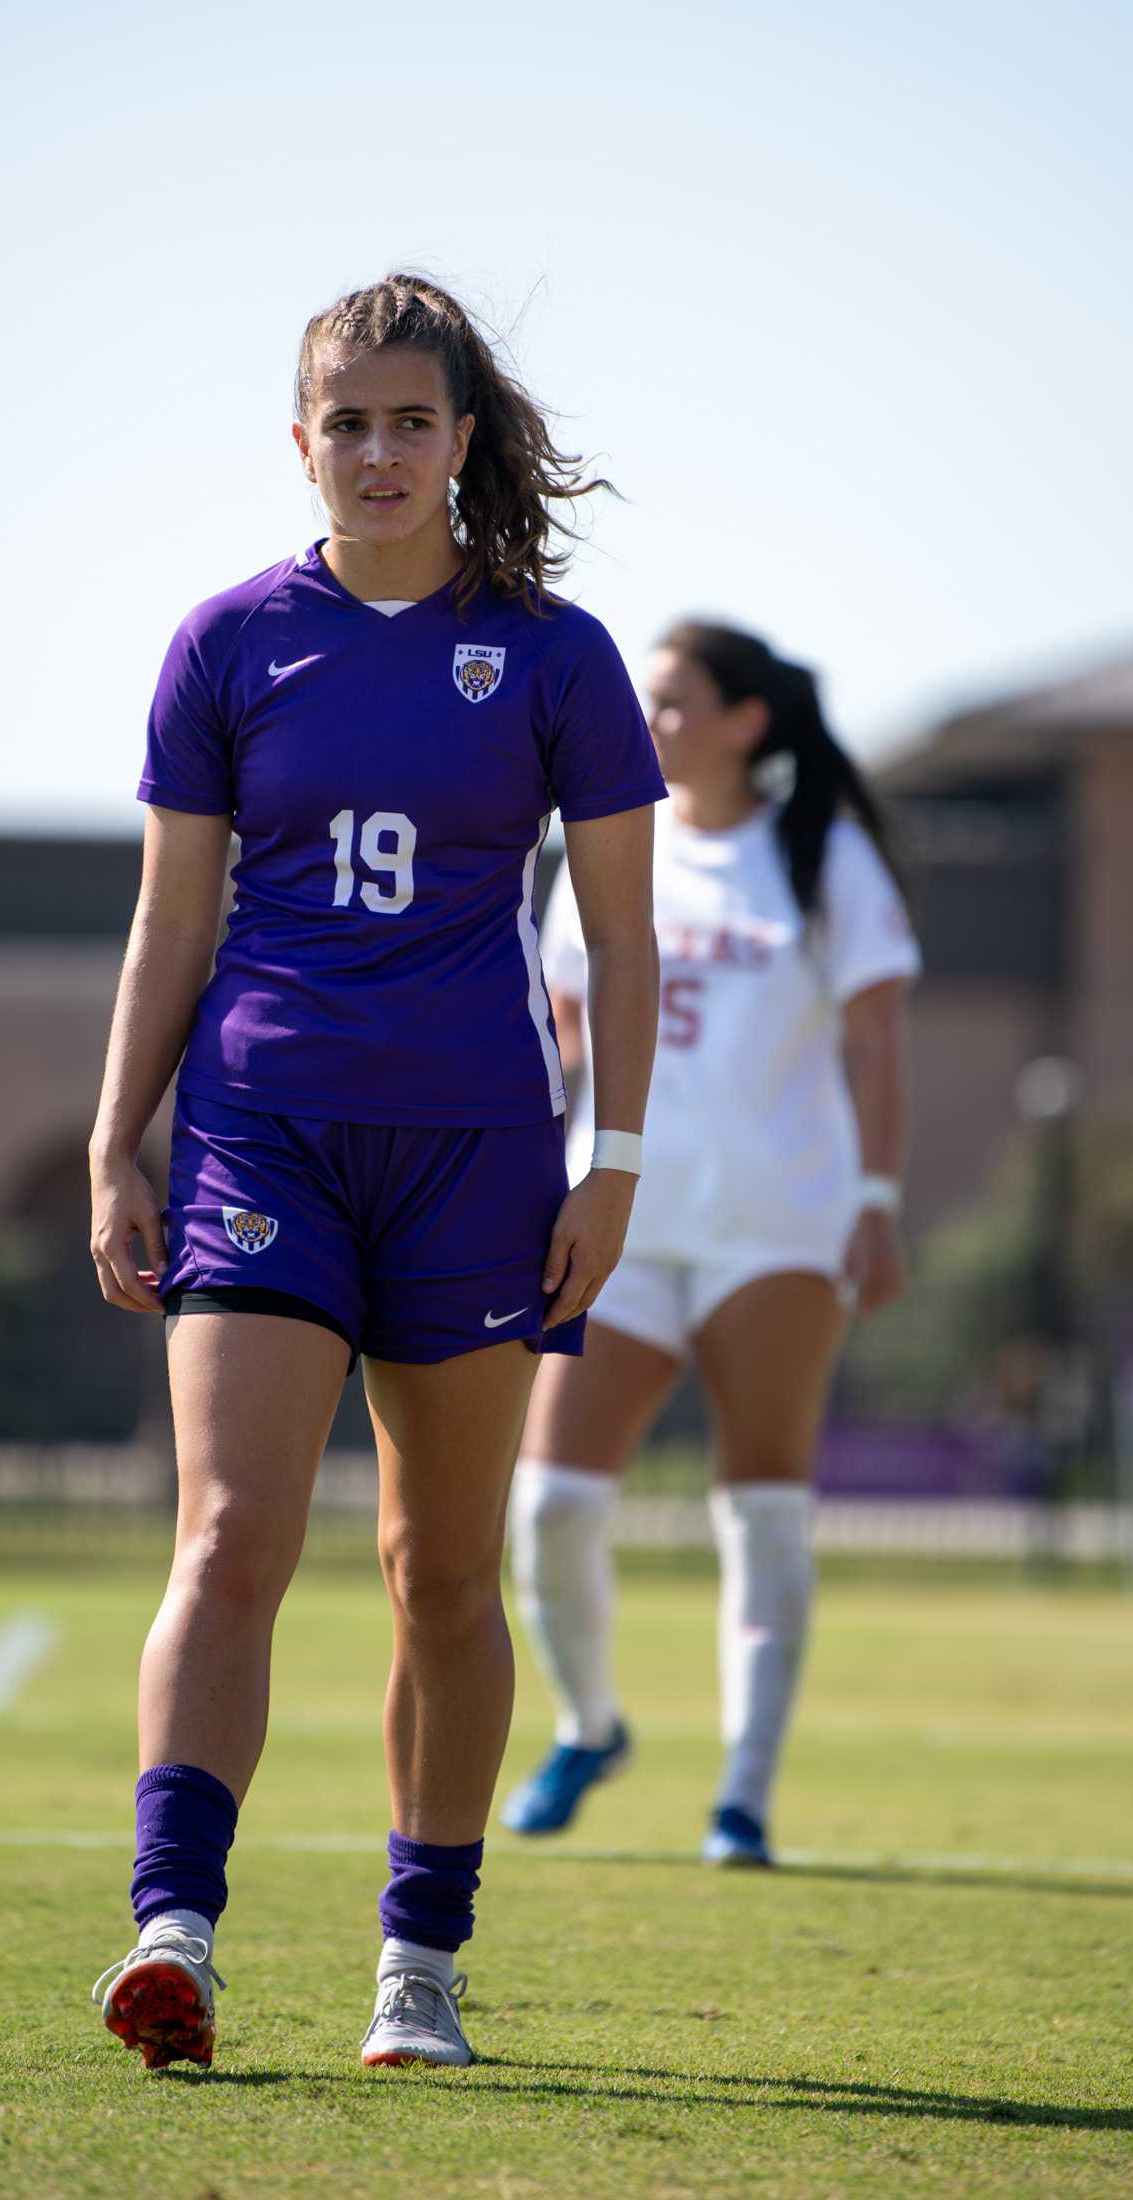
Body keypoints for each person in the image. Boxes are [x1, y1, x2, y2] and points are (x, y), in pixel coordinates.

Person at [86, 274, 665, 2073]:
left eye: (416, 420)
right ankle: (171, 1928)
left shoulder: (556, 657)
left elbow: (626, 948)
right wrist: (122, 1137)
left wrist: (613, 1163)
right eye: (351, 421)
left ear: (464, 440)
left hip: (482, 1153)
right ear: (302, 443)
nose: (383, 451)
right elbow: (174, 919)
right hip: (264, 1134)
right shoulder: (229, 643)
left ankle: (420, 1965)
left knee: (440, 1569)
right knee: (230, 1530)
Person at [502, 620, 919, 1864]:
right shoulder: (601, 842)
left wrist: (879, 1201)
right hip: (618, 1217)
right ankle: (589, 1723)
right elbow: (563, 1038)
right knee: (552, 1505)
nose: (652, 719)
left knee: (765, 1508)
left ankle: (742, 1794)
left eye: (675, 700)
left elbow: (878, 1043)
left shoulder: (825, 856)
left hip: (778, 1227)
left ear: (747, 721)